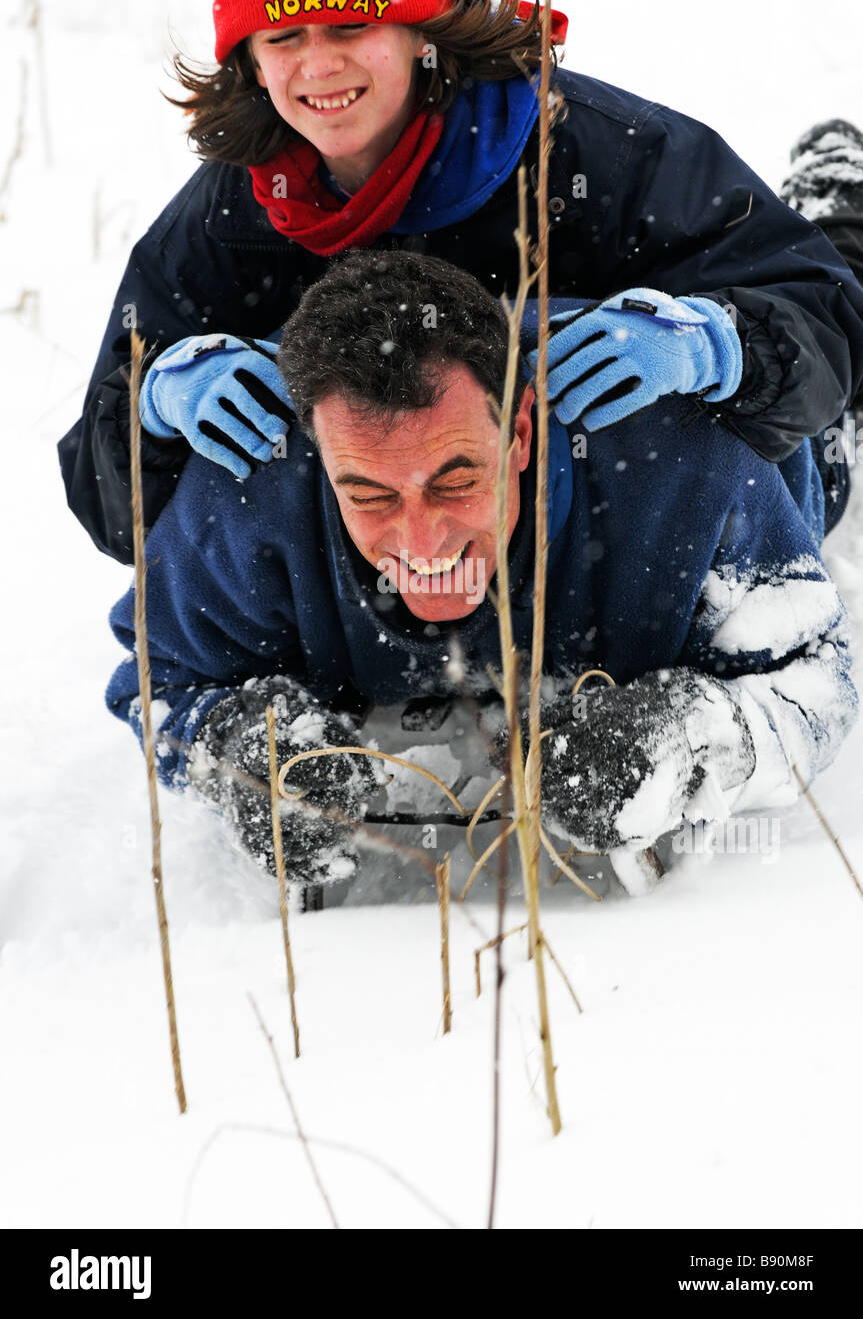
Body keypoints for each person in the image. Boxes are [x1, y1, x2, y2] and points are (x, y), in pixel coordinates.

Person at [59, 0, 863, 563]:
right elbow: (110, 507)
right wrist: (156, 407)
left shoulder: (590, 151)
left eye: (350, 22)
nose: (318, 63)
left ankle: (838, 196)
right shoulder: (228, 217)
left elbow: (826, 316)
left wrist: (714, 348)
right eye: (281, 37)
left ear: (421, 30)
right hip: (414, 569)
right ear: (249, 62)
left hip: (642, 530)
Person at [105, 250, 858, 892]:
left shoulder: (686, 459)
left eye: (455, 481)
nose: (422, 541)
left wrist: (688, 736)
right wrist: (241, 750)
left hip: (794, 458)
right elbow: (158, 682)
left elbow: (820, 676)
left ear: (521, 433)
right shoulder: (244, 487)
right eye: (367, 494)